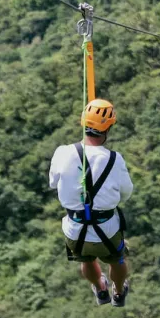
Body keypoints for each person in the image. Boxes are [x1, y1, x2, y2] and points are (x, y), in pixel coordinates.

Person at [49, 98, 133, 307]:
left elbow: (53, 183)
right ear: (108, 128)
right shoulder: (114, 159)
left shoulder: (62, 153)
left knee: (86, 259)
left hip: (75, 229)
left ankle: (99, 287)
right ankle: (119, 291)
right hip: (107, 227)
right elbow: (126, 193)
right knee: (117, 259)